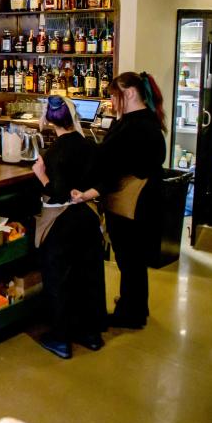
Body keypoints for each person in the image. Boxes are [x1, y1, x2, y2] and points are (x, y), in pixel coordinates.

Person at [71, 71, 167, 329]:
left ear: (131, 93)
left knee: (129, 257)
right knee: (132, 258)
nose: (112, 102)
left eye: (115, 96)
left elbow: (114, 165)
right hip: (141, 202)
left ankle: (131, 314)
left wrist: (92, 191)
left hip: (131, 203)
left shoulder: (136, 127)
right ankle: (135, 306)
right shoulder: (144, 121)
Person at [31, 96, 106, 359]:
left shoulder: (54, 154)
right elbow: (102, 183)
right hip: (87, 219)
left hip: (62, 223)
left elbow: (58, 193)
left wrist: (41, 176)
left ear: (50, 120)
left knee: (58, 277)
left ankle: (61, 338)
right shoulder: (89, 146)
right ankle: (91, 334)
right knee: (89, 274)